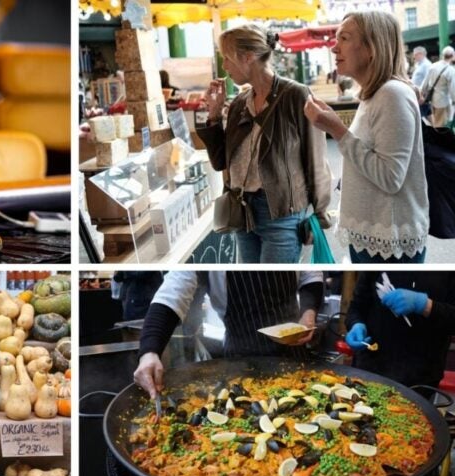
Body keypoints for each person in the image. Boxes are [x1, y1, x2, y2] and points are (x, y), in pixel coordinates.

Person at [198, 24, 332, 264]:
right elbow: (220, 161)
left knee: (274, 287)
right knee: (253, 286)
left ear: (248, 57)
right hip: (241, 212)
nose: (225, 66)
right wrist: (215, 115)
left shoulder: (296, 95)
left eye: (227, 58)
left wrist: (320, 213)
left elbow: (316, 159)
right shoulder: (239, 103)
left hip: (281, 213)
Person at [304, 11, 428, 263]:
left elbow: (390, 177)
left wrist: (337, 130)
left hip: (389, 243)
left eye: (345, 38)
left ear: (372, 48)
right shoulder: (374, 95)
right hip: (371, 235)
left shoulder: (391, 94)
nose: (334, 47)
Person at [133, 271, 323, 398]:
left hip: (294, 357)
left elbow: (310, 275)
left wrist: (308, 312)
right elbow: (172, 294)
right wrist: (149, 351)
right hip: (238, 367)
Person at [345, 272, 455, 390]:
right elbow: (357, 306)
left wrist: (426, 305)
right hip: (368, 369)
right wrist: (356, 324)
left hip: (420, 378)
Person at [420, 46, 455, 128]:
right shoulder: (451, 70)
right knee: (440, 125)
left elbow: (425, 83)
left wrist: (422, 94)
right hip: (443, 101)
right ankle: (438, 140)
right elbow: (453, 89)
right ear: (452, 55)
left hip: (431, 99)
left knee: (435, 121)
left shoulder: (433, 66)